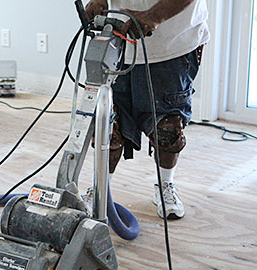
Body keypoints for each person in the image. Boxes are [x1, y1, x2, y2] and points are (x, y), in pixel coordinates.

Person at [84, 0, 209, 219]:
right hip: (117, 37)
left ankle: (165, 186)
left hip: (172, 44)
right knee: (108, 126)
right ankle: (100, 190)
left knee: (167, 130)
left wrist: (155, 15)